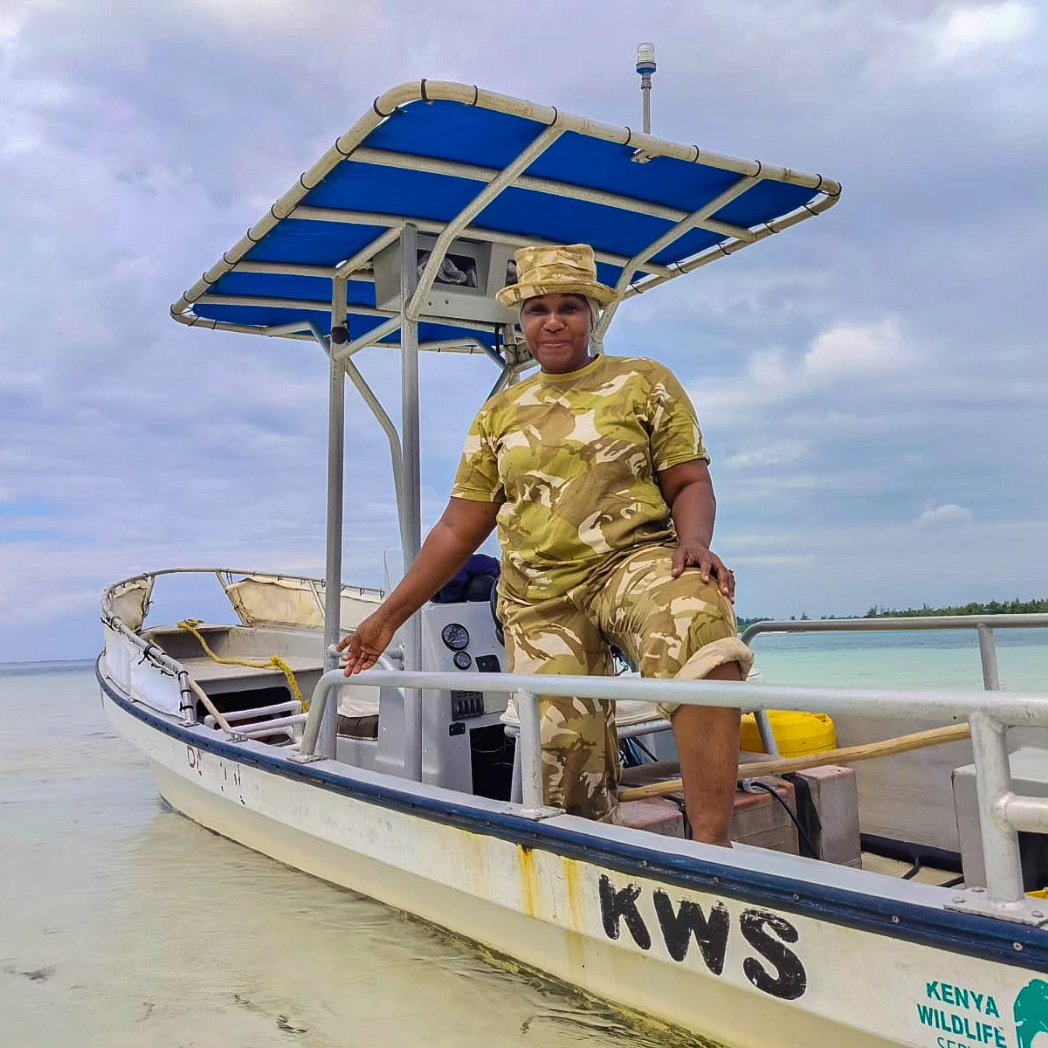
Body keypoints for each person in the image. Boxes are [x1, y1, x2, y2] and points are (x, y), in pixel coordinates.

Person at [338, 244, 754, 846]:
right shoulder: (500, 414)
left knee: (696, 616)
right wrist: (387, 619)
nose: (552, 320)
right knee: (562, 758)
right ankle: (589, 870)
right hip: (538, 598)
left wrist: (695, 543)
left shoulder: (644, 382)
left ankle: (712, 852)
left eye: (568, 307)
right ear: (523, 321)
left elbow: (689, 480)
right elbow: (460, 527)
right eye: (537, 309)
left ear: (591, 316)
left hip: (629, 564)